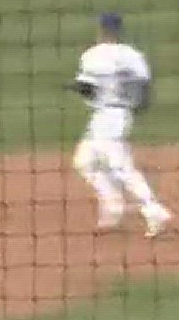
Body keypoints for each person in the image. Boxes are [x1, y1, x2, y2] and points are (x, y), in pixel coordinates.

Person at [69, 13, 172, 238]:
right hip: (120, 114)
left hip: (106, 116)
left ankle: (154, 212)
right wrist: (137, 107)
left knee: (120, 166)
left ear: (100, 29)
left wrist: (75, 87)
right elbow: (145, 86)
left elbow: (89, 89)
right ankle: (113, 207)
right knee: (84, 161)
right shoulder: (132, 55)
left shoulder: (92, 55)